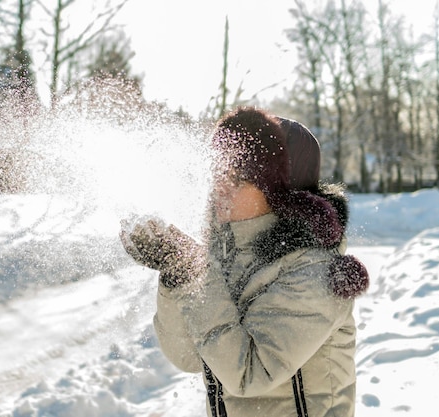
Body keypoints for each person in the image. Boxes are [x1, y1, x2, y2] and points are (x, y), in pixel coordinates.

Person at [120, 106, 369, 417]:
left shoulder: (315, 271)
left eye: (237, 177)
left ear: (281, 190)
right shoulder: (226, 256)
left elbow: (249, 374)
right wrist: (177, 272)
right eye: (217, 172)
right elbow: (187, 356)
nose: (219, 187)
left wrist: (192, 269)